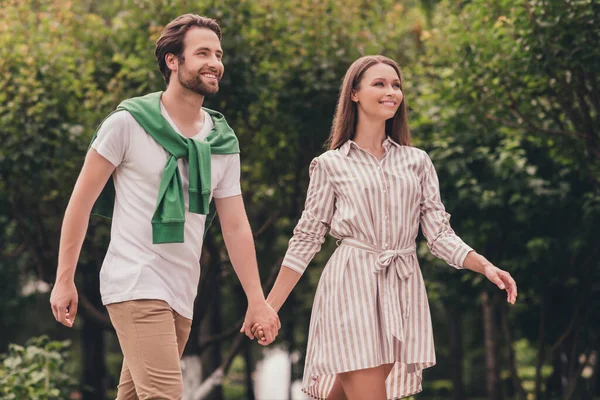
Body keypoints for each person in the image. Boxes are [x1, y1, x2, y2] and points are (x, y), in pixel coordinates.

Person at [244, 55, 518, 400]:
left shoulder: (417, 162)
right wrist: (269, 307)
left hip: (401, 290)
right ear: (354, 94)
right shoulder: (330, 165)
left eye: (396, 85)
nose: (391, 92)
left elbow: (439, 235)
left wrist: (485, 265)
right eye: (380, 84)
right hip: (350, 288)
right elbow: (307, 239)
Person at [49, 14, 279, 400]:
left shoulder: (221, 140)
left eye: (218, 54)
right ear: (173, 61)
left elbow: (236, 226)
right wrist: (63, 278)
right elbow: (81, 202)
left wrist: (257, 300)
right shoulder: (127, 123)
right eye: (202, 52)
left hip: (181, 288)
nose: (215, 62)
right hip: (135, 280)